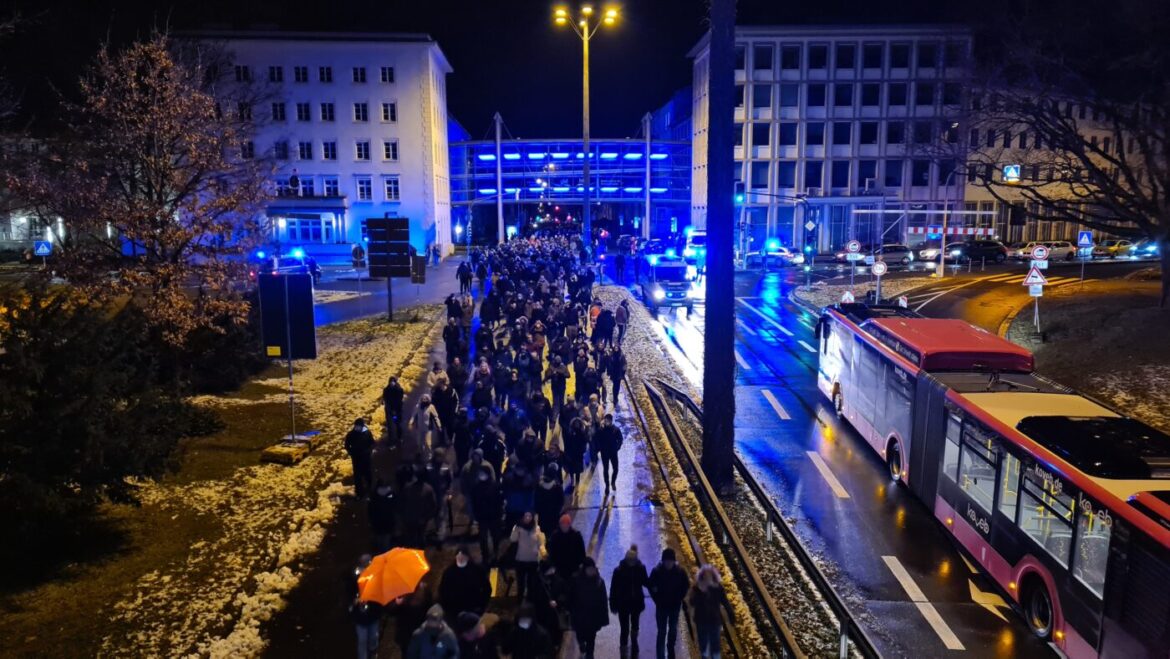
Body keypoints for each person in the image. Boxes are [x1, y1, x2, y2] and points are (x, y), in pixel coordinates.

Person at [648, 548, 690, 659]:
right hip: (661, 607)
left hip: (674, 607)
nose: (668, 563)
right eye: (666, 561)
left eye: (670, 561)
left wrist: (680, 597)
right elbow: (650, 586)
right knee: (661, 632)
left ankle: (670, 647)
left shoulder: (680, 572)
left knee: (672, 629)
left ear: (673, 561)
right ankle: (660, 656)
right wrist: (656, 599)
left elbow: (686, 585)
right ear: (663, 561)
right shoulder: (657, 572)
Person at [610, 544, 650, 651]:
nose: (632, 563)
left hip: (635, 603)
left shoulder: (640, 569)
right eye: (630, 560)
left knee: (635, 625)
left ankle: (633, 641)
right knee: (624, 628)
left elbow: (646, 582)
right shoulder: (618, 571)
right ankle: (624, 646)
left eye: (633, 560)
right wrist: (613, 604)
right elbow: (613, 588)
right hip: (623, 604)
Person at [568, 557, 609, 659]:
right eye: (589, 569)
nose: (591, 571)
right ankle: (582, 645)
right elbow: (571, 597)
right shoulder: (576, 580)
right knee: (580, 635)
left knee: (591, 639)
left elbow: (603, 601)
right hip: (579, 616)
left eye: (592, 569)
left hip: (592, 617)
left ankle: (589, 655)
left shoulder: (599, 581)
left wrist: (603, 618)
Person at [689, 565, 734, 659]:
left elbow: (725, 601)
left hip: (708, 621)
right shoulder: (700, 588)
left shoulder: (714, 588)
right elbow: (692, 602)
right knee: (709, 646)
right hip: (707, 621)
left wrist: (731, 614)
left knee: (710, 646)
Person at [439, 546, 492, 621]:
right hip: (463, 610)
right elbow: (443, 592)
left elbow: (487, 588)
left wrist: (481, 605)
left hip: (466, 610)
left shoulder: (449, 572)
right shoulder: (477, 570)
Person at [508, 510, 545, 602]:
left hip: (532, 560)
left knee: (531, 582)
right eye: (526, 516)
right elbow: (513, 539)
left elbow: (540, 542)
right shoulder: (518, 527)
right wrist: (515, 529)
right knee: (520, 582)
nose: (528, 518)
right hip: (521, 559)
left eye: (530, 516)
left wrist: (543, 553)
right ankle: (520, 599)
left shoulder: (537, 528)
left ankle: (530, 599)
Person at [398, 466, 438, 548]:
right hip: (420, 519)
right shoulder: (428, 489)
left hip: (410, 519)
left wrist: (402, 517)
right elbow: (433, 506)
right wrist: (427, 517)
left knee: (411, 540)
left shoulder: (407, 488)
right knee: (420, 539)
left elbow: (401, 503)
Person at [547, 514, 585, 580]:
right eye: (563, 524)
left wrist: (579, 564)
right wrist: (553, 564)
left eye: (566, 524)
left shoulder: (576, 535)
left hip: (573, 568)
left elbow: (581, 551)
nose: (564, 526)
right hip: (560, 568)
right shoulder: (555, 536)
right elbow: (552, 552)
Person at [345, 418, 375, 498]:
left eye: (358, 426)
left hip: (365, 457)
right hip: (356, 458)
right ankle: (359, 493)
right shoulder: (351, 434)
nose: (357, 428)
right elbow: (347, 445)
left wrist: (369, 451)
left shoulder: (367, 433)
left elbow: (372, 443)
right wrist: (351, 452)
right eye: (356, 426)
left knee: (367, 473)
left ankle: (370, 488)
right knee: (357, 476)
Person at [594, 414, 623, 492]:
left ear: (611, 421)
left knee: (616, 469)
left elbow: (620, 439)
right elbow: (596, 438)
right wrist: (599, 448)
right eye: (605, 420)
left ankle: (613, 482)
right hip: (605, 453)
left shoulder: (615, 430)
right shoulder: (601, 430)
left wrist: (617, 447)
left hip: (613, 452)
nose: (606, 422)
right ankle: (607, 485)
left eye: (608, 420)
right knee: (606, 469)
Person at [534, 464, 565, 537]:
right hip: (554, 514)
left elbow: (536, 500)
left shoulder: (539, 486)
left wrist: (537, 510)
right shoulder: (557, 487)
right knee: (553, 531)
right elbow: (561, 500)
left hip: (543, 514)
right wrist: (558, 510)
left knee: (544, 532)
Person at [349, 593, 383, 659]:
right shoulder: (352, 584)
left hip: (373, 617)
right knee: (362, 640)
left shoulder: (375, 584)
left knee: (373, 638)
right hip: (360, 619)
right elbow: (349, 600)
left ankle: (373, 651)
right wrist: (355, 601)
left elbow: (380, 600)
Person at [409, 394, 442, 460]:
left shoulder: (431, 407)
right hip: (419, 427)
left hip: (428, 428)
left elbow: (436, 417)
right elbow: (413, 415)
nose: (424, 400)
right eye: (423, 399)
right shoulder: (418, 406)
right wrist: (410, 423)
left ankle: (430, 455)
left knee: (428, 443)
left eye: (426, 399)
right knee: (419, 442)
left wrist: (439, 426)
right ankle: (420, 453)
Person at [368, 479, 397, 553]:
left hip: (377, 523)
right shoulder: (391, 494)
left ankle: (379, 552)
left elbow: (370, 510)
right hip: (388, 522)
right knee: (386, 541)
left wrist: (370, 521)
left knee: (379, 540)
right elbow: (395, 507)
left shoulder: (373, 495)